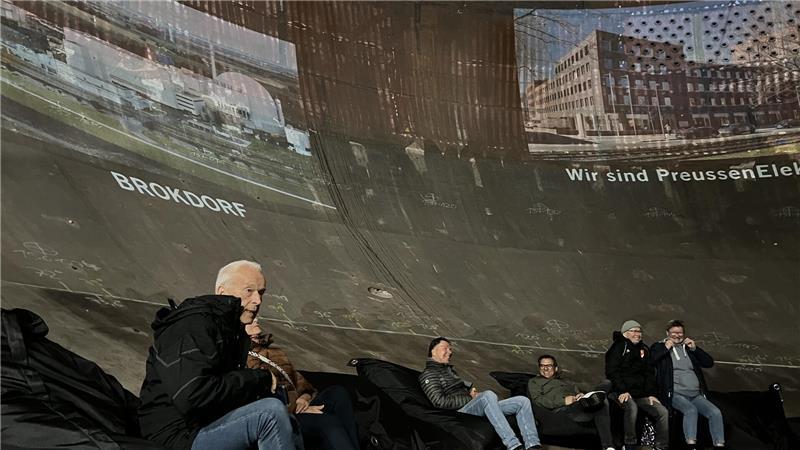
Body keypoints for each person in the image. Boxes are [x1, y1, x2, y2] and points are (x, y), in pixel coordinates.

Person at [138, 260, 296, 450]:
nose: (258, 301)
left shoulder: (230, 330)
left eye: (261, 292)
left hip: (204, 425)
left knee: (290, 421)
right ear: (222, 292)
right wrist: (257, 379)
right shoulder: (192, 327)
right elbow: (193, 396)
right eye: (249, 291)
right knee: (270, 414)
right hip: (177, 437)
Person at [246, 320, 360, 450]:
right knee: (328, 421)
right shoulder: (241, 359)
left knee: (338, 393)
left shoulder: (274, 352)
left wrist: (305, 396)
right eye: (251, 319)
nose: (256, 321)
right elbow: (258, 403)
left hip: (298, 406)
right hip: (281, 414)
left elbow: (300, 382)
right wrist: (295, 409)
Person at [419, 337, 541, 450]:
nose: (450, 352)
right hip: (458, 414)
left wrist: (471, 392)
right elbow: (439, 402)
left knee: (521, 401)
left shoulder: (447, 370)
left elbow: (457, 389)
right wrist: (470, 398)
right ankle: (513, 444)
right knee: (488, 395)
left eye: (450, 349)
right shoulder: (429, 374)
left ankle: (532, 445)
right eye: (445, 348)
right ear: (433, 352)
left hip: (469, 406)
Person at [651, 320, 725, 448]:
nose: (677, 335)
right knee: (691, 410)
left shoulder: (689, 349)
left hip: (695, 394)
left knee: (715, 412)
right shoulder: (659, 346)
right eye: (674, 333)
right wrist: (665, 348)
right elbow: (651, 361)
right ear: (667, 333)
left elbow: (709, 363)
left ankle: (719, 444)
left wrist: (696, 349)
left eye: (680, 333)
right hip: (675, 393)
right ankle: (691, 445)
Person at [528, 354, 615, 450]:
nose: (545, 368)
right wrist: (563, 401)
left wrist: (580, 394)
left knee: (606, 385)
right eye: (542, 366)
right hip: (566, 410)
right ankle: (594, 399)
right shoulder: (534, 382)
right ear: (539, 368)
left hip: (579, 404)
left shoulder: (566, 381)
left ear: (556, 368)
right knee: (600, 402)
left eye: (549, 365)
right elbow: (538, 400)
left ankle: (608, 447)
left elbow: (576, 391)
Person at [605, 320, 669, 450]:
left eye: (639, 331)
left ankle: (661, 446)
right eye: (633, 331)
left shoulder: (644, 349)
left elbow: (649, 373)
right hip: (620, 392)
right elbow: (612, 371)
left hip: (641, 394)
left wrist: (651, 394)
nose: (637, 334)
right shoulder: (618, 347)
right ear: (625, 333)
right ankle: (630, 444)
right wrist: (622, 390)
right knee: (632, 407)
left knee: (663, 412)